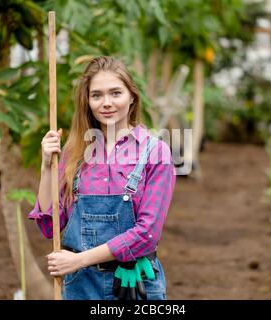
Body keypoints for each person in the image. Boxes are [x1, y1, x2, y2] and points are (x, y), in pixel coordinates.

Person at [28, 56, 176, 300]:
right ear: (87, 101)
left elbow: (147, 234)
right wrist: (46, 167)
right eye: (97, 95)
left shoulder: (156, 152)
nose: (106, 103)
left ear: (132, 97)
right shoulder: (74, 152)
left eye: (115, 93)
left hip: (134, 283)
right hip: (81, 285)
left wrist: (79, 259)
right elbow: (50, 226)